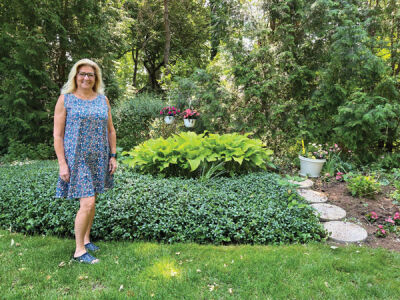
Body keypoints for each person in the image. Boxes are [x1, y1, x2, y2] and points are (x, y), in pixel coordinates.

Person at [53, 58, 117, 264]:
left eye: (90, 74)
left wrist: (113, 155)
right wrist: (62, 163)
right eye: (82, 74)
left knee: (93, 199)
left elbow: (110, 129)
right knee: (87, 202)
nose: (86, 78)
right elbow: (58, 135)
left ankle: (87, 239)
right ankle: (79, 251)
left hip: (98, 156)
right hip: (76, 158)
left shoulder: (102, 100)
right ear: (75, 76)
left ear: (95, 78)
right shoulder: (66, 99)